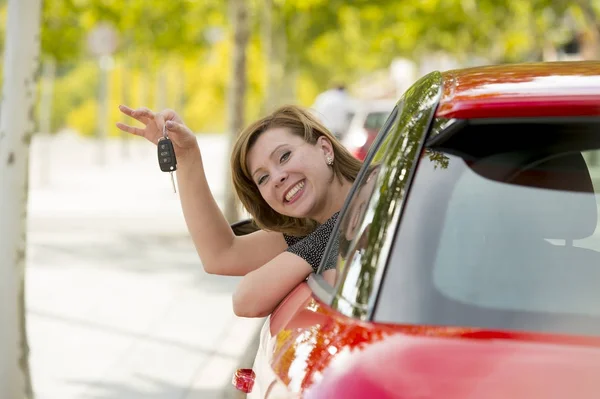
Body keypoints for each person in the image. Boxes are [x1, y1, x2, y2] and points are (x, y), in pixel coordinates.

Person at [116, 104, 363, 318]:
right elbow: (222, 259)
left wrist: (335, 229)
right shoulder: (310, 230)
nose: (277, 177)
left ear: (325, 149)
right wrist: (187, 155)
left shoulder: (389, 193)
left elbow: (246, 298)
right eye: (263, 178)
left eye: (285, 156)